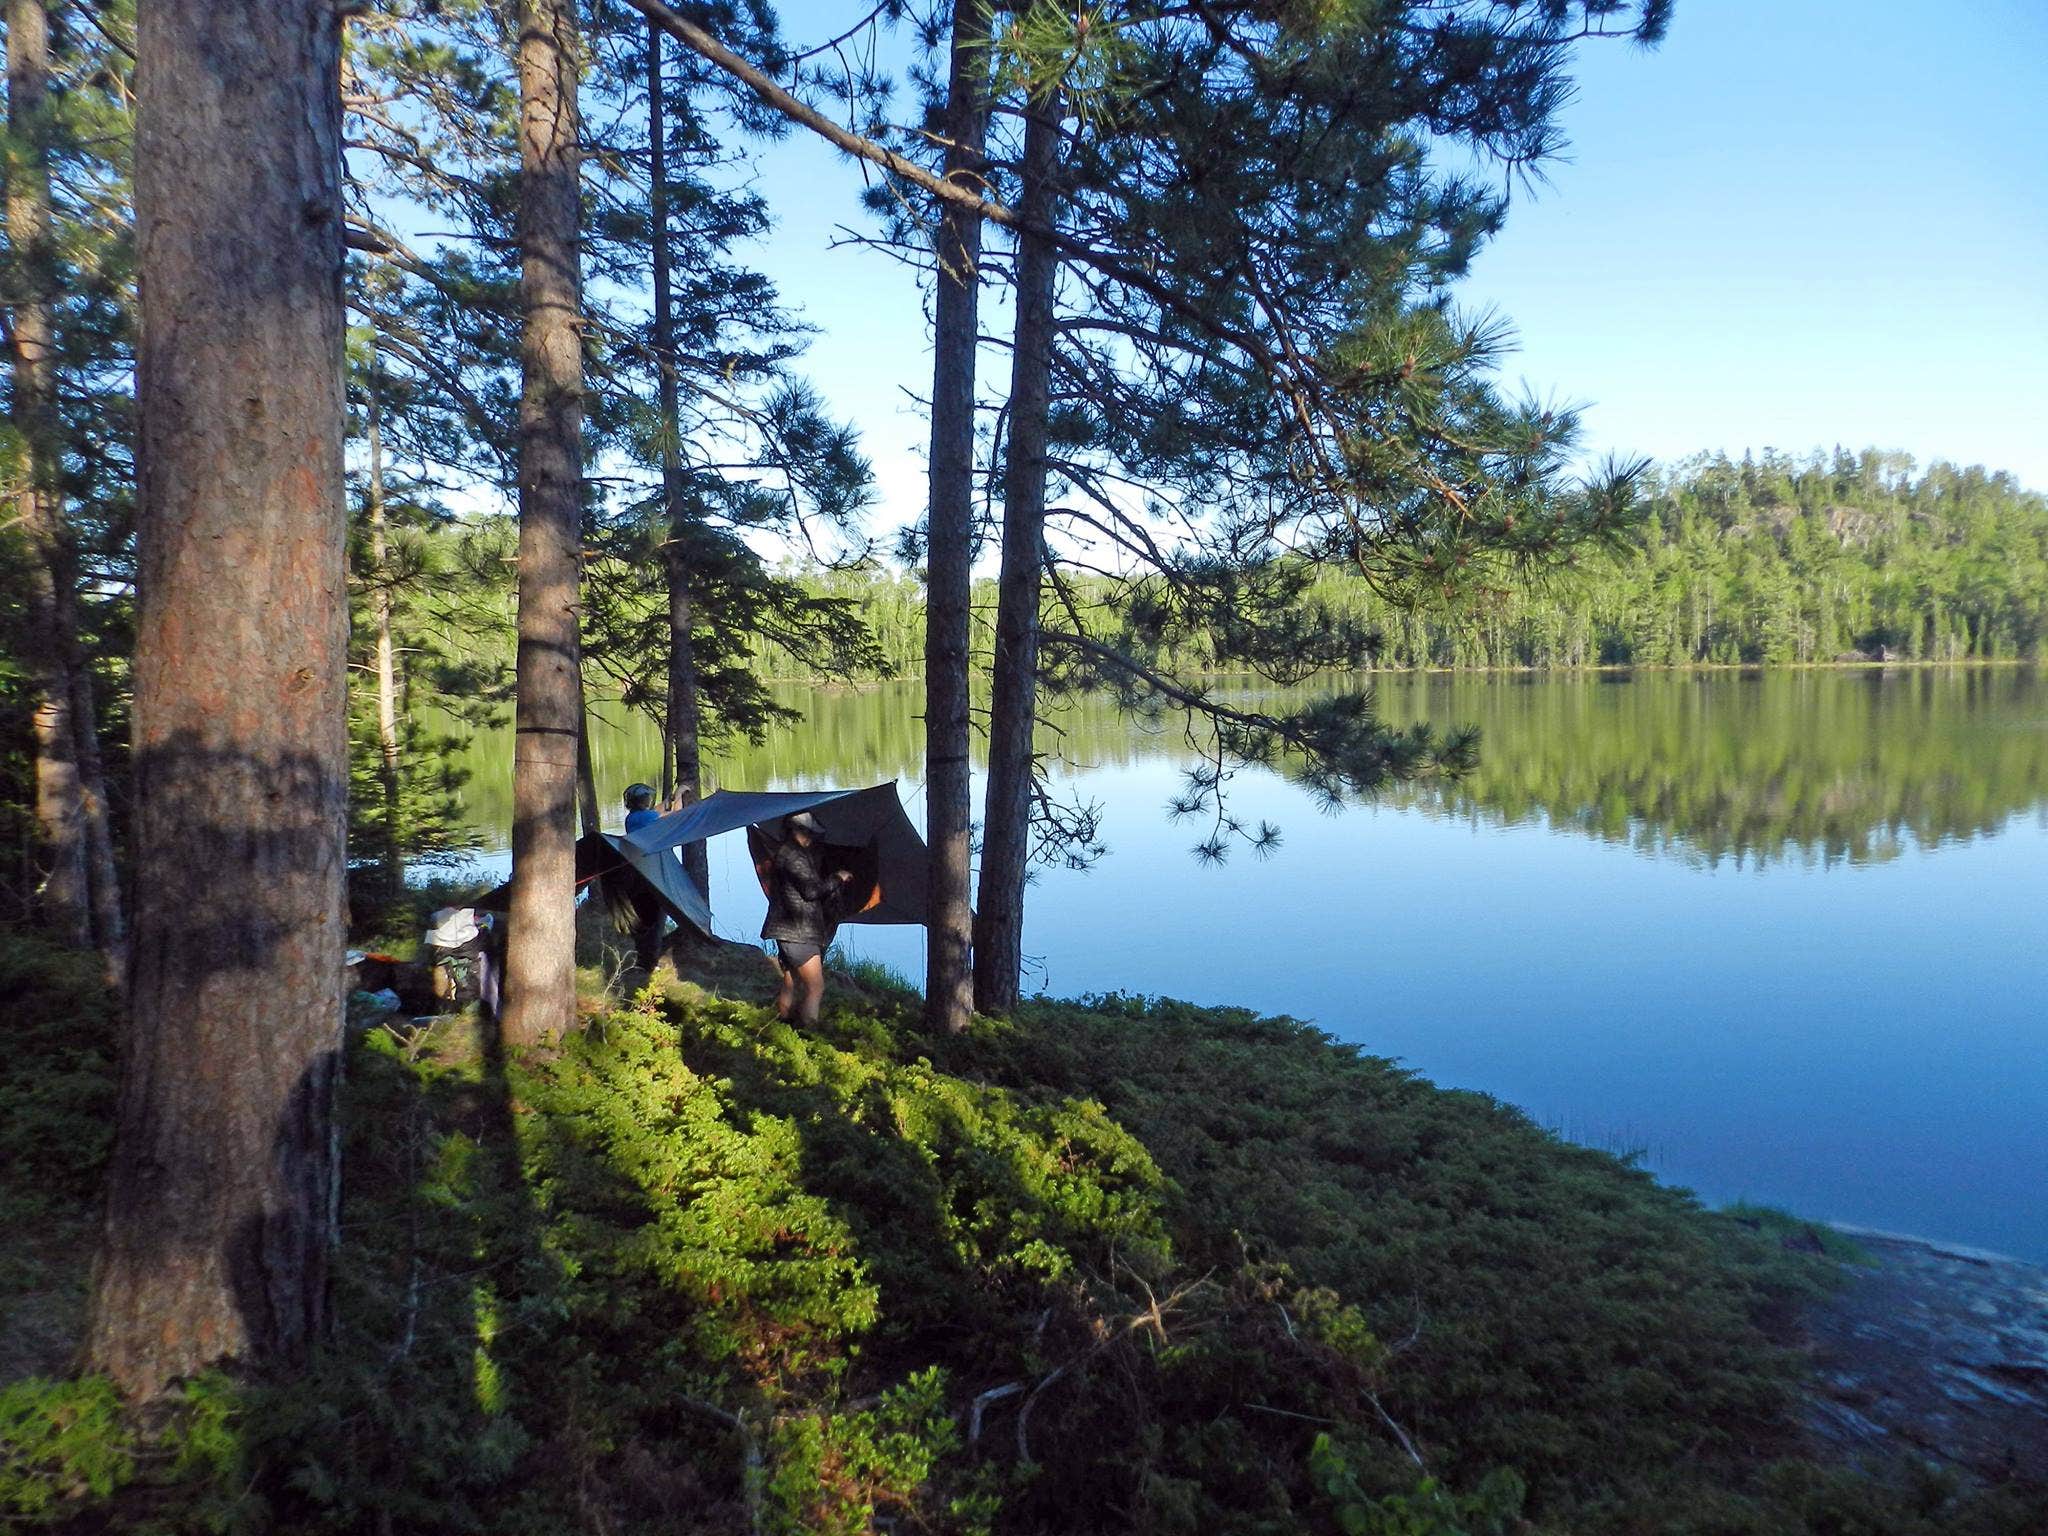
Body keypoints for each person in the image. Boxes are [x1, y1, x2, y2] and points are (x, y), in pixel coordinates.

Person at [762, 811, 852, 1024]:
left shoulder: (786, 853)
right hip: (798, 933)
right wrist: (838, 878)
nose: (810, 838)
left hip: (788, 932)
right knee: (816, 986)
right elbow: (812, 891)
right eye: (807, 833)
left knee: (791, 982)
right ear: (797, 832)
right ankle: (809, 1035)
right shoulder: (795, 857)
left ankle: (783, 1026)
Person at [622, 783, 665, 972]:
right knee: (654, 916)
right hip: (647, 874)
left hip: (635, 872)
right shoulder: (646, 818)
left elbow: (656, 813)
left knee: (643, 914)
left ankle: (643, 959)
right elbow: (669, 815)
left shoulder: (633, 818)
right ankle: (649, 962)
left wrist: (667, 801)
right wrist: (681, 793)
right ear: (643, 801)